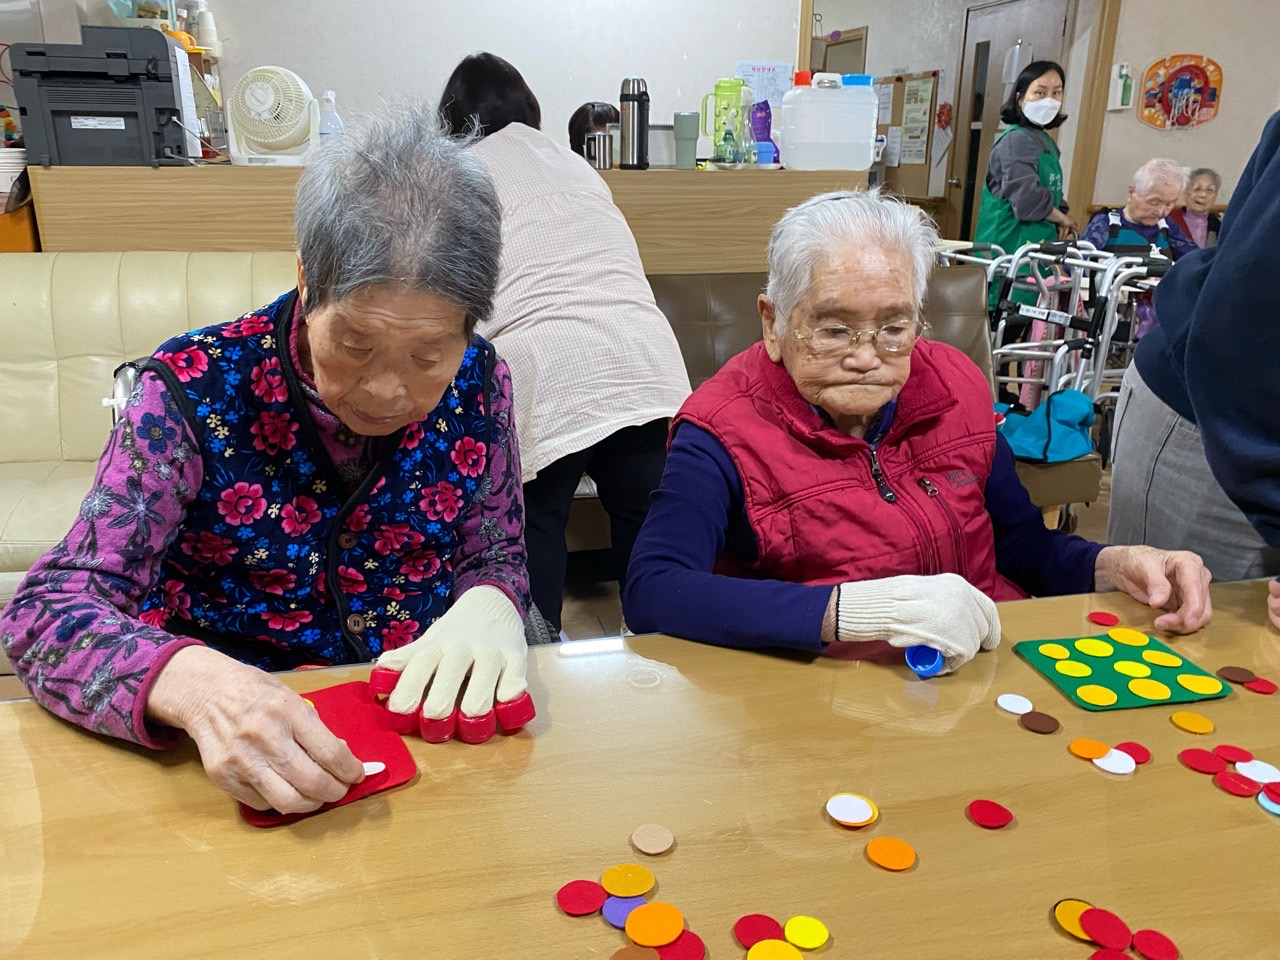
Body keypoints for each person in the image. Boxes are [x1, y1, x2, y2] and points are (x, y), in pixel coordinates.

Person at [0, 107, 533, 814]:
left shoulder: (480, 380)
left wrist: (492, 603)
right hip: (233, 746)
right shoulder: (192, 388)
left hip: (425, 724)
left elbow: (492, 551)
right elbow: (45, 611)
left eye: (428, 356)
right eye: (356, 345)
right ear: (308, 282)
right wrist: (191, 685)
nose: (385, 390)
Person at [623, 190, 1212, 670]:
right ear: (773, 324)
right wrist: (854, 611)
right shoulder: (720, 427)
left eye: (893, 327)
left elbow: (1022, 549)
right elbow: (654, 588)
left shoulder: (954, 382)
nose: (865, 357)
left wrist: (1115, 564)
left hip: (982, 670)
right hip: (829, 690)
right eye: (833, 329)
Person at [439, 53, 691, 635]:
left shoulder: (458, 174)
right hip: (645, 357)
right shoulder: (575, 164)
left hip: (546, 366)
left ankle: (537, 654)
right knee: (645, 524)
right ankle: (660, 653)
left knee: (536, 523)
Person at [1110, 112, 1280, 592]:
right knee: (1168, 614)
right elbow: (1250, 308)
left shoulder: (1174, 233)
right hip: (1226, 414)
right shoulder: (1111, 226)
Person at [975, 61, 1076, 258]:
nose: (1049, 100)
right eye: (1040, 92)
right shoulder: (1016, 140)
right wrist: (1062, 219)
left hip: (1036, 247)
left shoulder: (1046, 142)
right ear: (1020, 98)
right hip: (1007, 249)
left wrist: (1061, 214)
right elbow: (1027, 199)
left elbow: (1052, 192)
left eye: (1056, 92)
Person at [1080, 159, 1196, 260]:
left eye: (1169, 204)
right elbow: (1078, 263)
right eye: (1154, 202)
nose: (1161, 212)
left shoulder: (1166, 226)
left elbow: (1195, 259)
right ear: (1131, 193)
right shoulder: (1106, 223)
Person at [1168, 167, 1223, 248]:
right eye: (1197, 189)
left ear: (1216, 195)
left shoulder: (1219, 224)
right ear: (1186, 191)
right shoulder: (1170, 219)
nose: (1203, 195)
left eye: (1210, 190)